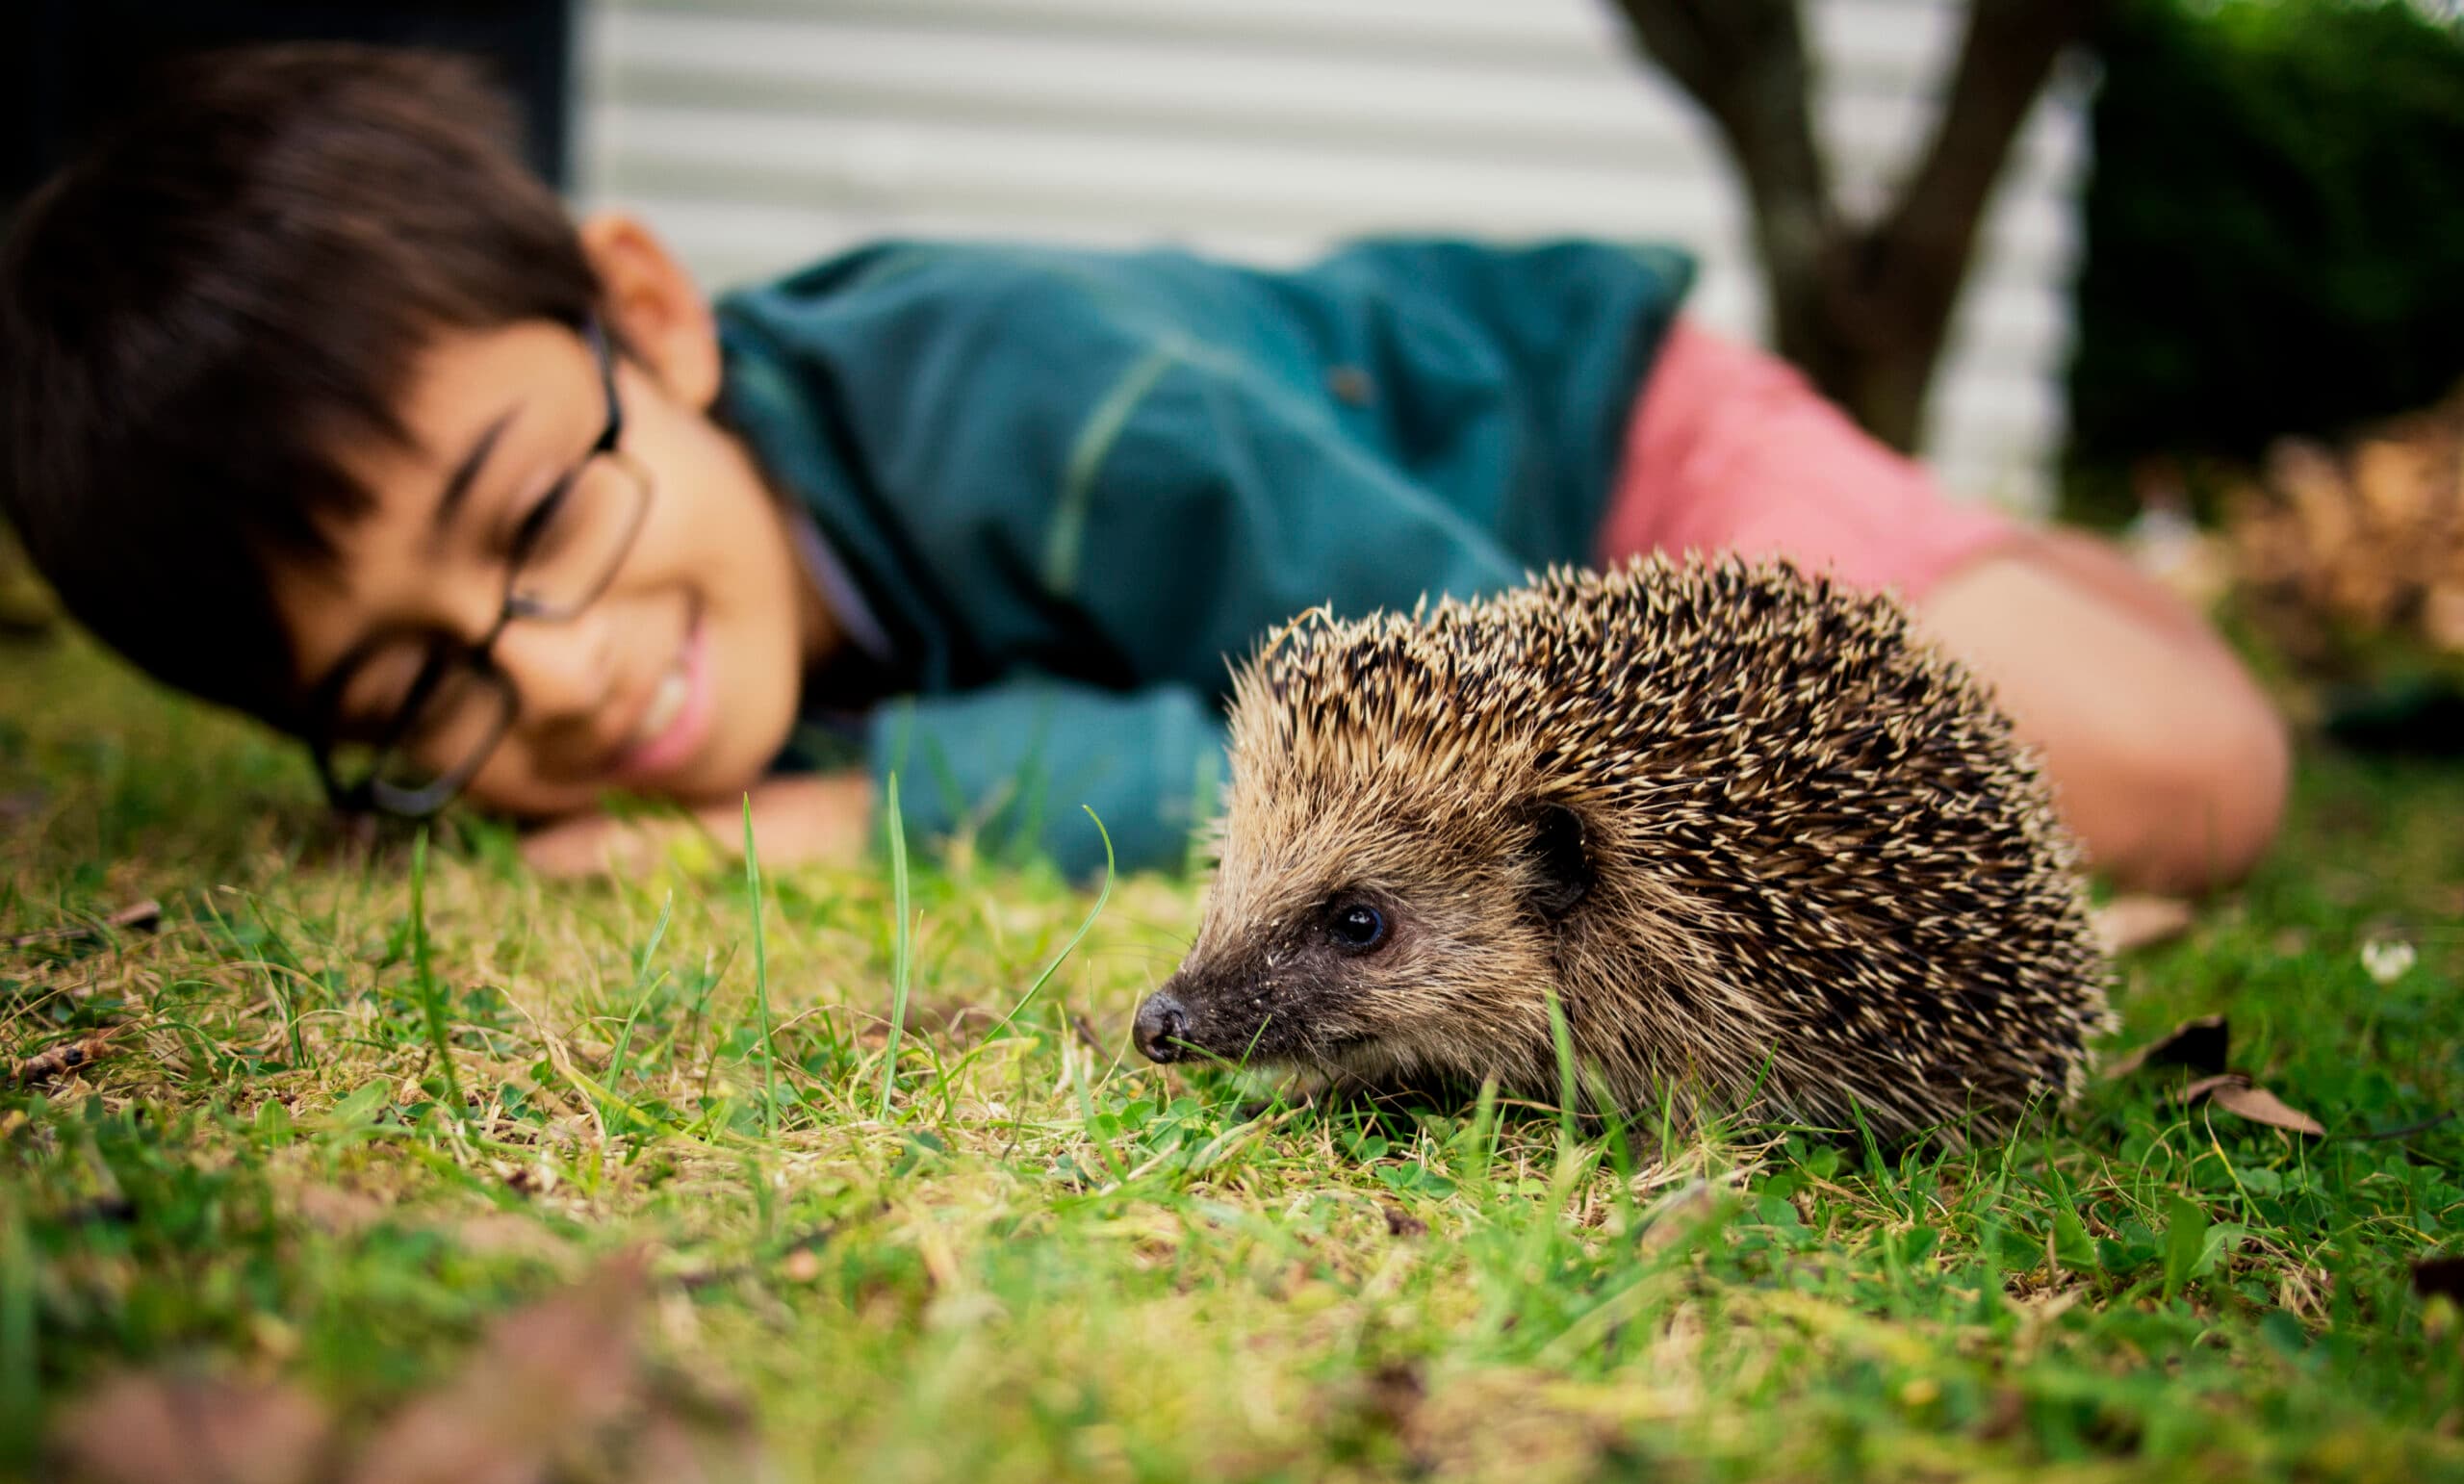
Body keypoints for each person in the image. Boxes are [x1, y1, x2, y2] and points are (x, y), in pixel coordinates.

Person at [0, 44, 2285, 896]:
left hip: (1591, 476)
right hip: (1446, 563)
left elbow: (1452, 762)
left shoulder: (1059, 400)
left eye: (529, 519)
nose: (559, 685)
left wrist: (879, 799)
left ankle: (2071, 580)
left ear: (652, 321)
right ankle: (2004, 559)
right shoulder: (647, 617)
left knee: (2156, 777)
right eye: (407, 699)